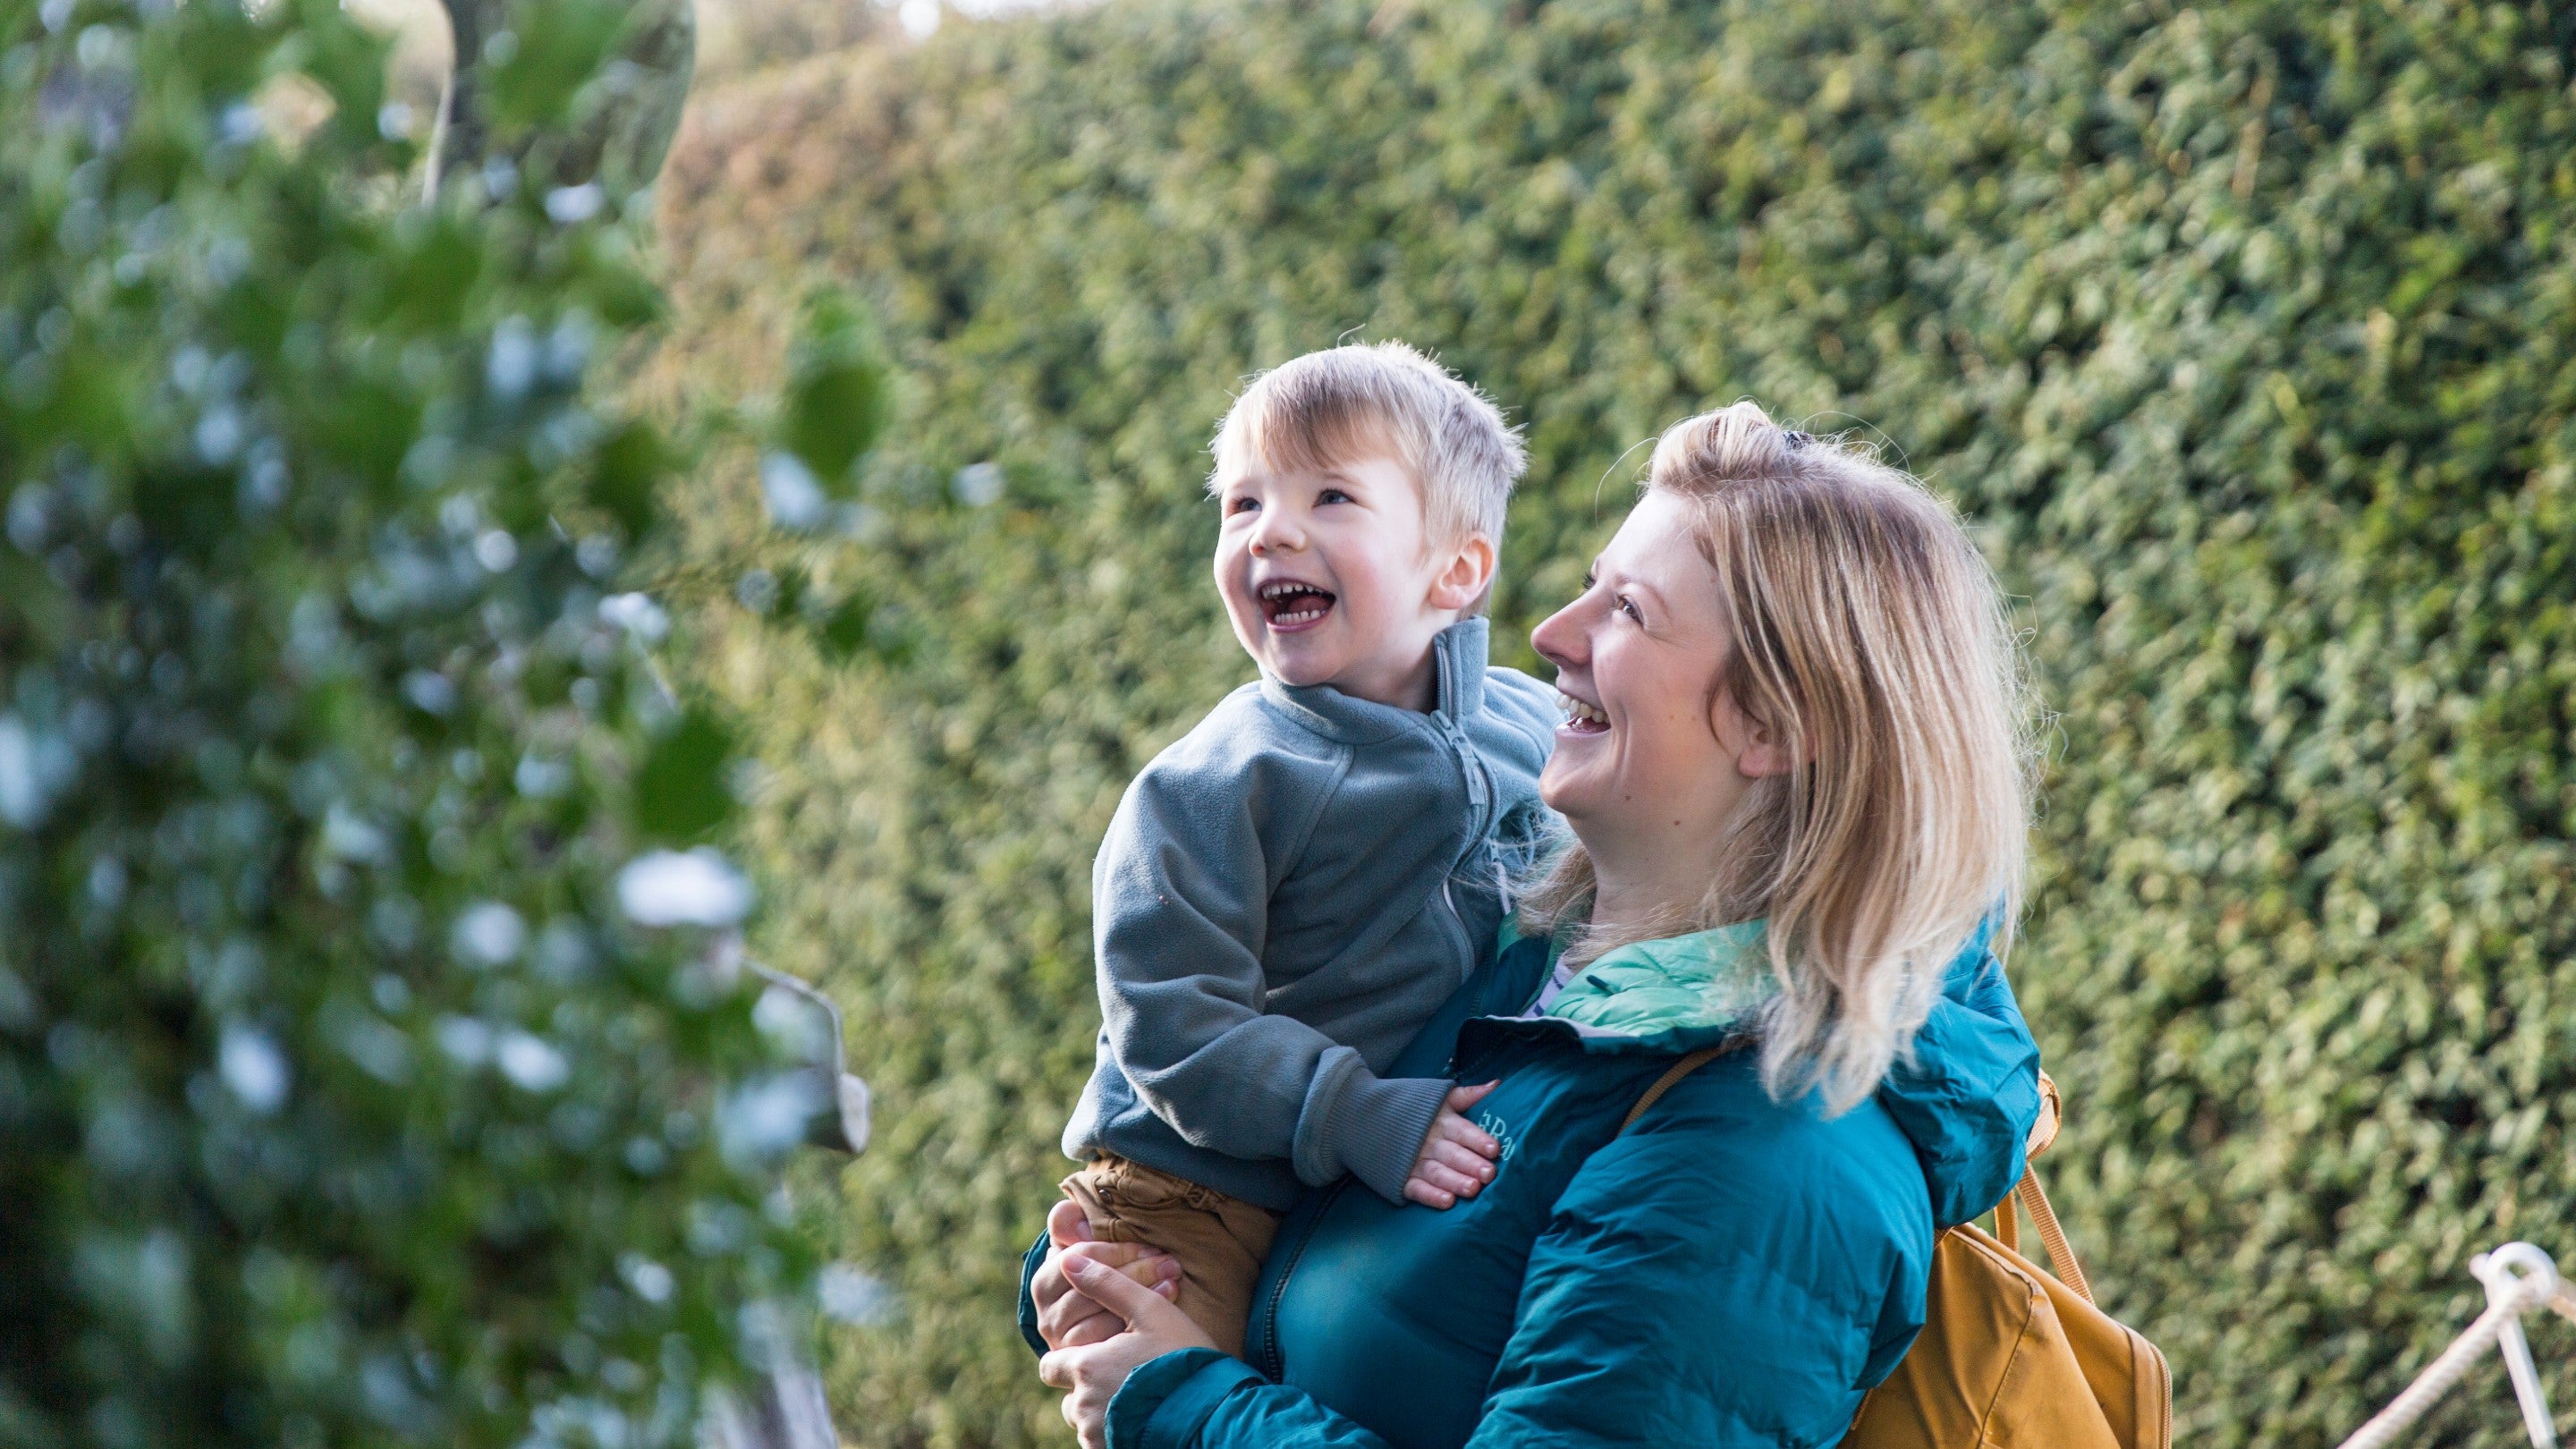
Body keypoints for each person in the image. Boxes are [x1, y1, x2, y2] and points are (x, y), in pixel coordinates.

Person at [1025, 402, 2046, 1449]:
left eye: (1629, 612)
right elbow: (1285, 1198)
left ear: (1775, 726)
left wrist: (1182, 1407)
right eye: (1588, 588)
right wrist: (1109, 1279)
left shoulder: (1760, 1160)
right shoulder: (1522, 966)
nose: (1551, 634)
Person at [1055, 343, 1565, 1358]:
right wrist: (1358, 1114)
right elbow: (1172, 1028)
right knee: (1177, 1403)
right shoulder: (1211, 784)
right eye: (1241, 504)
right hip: (1191, 1194)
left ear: (1456, 568)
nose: (1271, 531)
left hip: (1373, 1159)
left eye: (1330, 496)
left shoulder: (1540, 727)